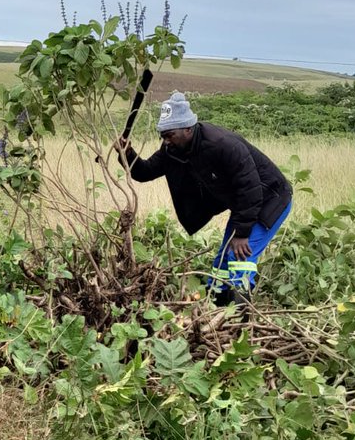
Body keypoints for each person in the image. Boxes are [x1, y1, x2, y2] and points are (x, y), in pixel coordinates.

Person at [123, 91, 292, 308]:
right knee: (222, 262)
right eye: (163, 135)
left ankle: (240, 320)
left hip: (270, 199)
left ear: (187, 128)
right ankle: (214, 313)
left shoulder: (222, 144)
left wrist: (242, 233)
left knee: (239, 259)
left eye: (170, 135)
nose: (166, 141)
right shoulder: (173, 148)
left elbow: (250, 189)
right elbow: (145, 171)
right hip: (243, 205)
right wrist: (127, 153)